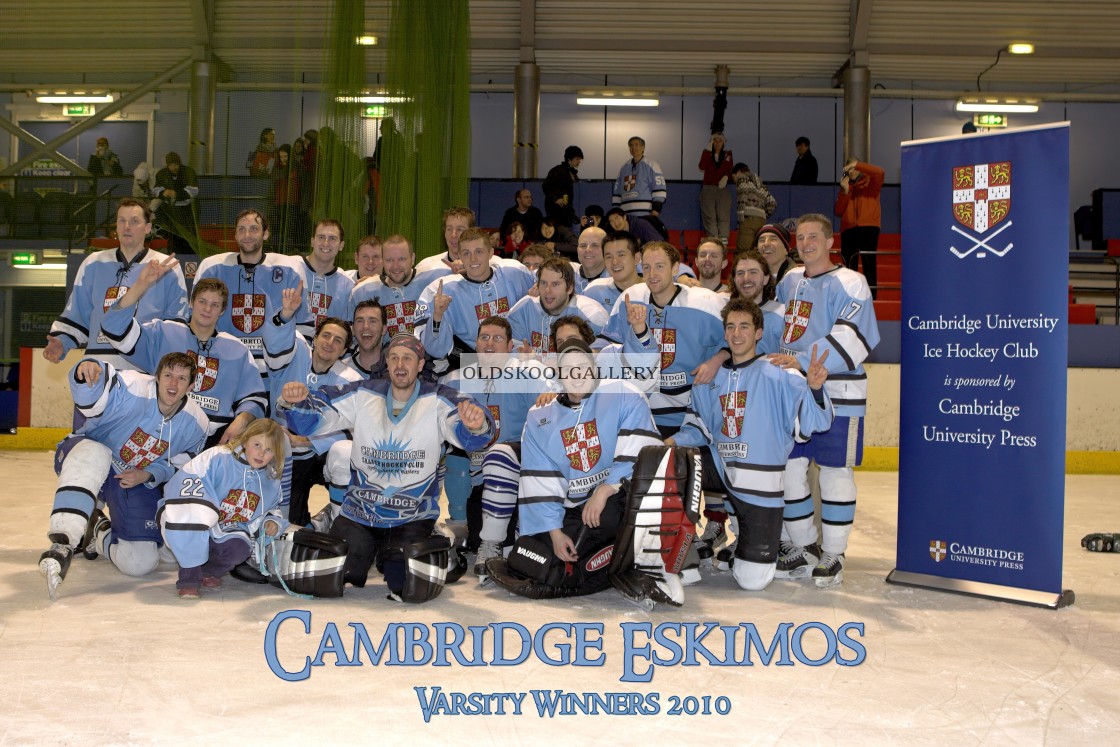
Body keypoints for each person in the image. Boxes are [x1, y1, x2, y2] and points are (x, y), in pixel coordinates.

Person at [277, 334, 495, 602]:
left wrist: (476, 424)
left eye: (408, 358)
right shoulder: (363, 392)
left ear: (419, 365)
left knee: (408, 588)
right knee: (326, 578)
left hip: (412, 515)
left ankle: (432, 536)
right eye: (394, 358)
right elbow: (315, 415)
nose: (400, 364)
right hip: (360, 512)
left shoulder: (438, 399)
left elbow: (469, 429)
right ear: (387, 363)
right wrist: (296, 401)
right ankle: (353, 539)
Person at [485, 337, 688, 608]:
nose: (576, 374)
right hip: (576, 508)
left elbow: (644, 454)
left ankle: (652, 563)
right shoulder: (539, 416)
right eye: (567, 368)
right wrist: (555, 532)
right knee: (549, 550)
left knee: (634, 498)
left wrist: (606, 489)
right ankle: (614, 561)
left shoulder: (624, 393)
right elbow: (540, 480)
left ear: (594, 368)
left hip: (619, 497)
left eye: (582, 366)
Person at [668, 297, 833, 592]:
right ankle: (686, 555)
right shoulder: (711, 377)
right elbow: (696, 428)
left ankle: (749, 546)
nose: (736, 333)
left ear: (759, 333)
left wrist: (816, 389)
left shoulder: (780, 372)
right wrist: (669, 442)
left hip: (760, 489)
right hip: (721, 469)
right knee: (671, 463)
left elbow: (815, 423)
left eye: (744, 326)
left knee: (751, 581)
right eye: (730, 326)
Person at [38, 352, 209, 600]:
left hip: (133, 479)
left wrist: (149, 473)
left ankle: (99, 530)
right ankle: (62, 542)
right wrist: (86, 369)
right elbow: (97, 393)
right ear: (157, 377)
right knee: (95, 454)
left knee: (140, 563)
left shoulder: (197, 422)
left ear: (191, 386)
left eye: (182, 379)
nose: (173, 384)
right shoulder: (134, 386)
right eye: (168, 375)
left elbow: (183, 464)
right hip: (87, 456)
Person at [771, 213, 880, 587]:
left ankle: (834, 551)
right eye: (800, 237)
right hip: (794, 392)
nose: (805, 243)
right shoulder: (788, 281)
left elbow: (854, 336)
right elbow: (769, 323)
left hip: (840, 390)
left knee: (835, 473)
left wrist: (801, 360)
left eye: (814, 236)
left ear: (831, 242)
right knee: (788, 470)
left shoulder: (852, 282)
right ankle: (803, 546)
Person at [101, 266, 266, 449]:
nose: (207, 309)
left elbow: (256, 398)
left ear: (222, 310)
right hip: (164, 434)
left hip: (216, 441)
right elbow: (113, 328)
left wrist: (242, 420)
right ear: (191, 302)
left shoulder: (237, 350)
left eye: (215, 305)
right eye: (202, 301)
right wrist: (141, 285)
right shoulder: (163, 333)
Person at [44, 197, 188, 371]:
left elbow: (175, 325)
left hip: (144, 368)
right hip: (97, 369)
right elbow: (77, 315)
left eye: (134, 221)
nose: (127, 226)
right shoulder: (93, 264)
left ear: (148, 228)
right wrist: (62, 341)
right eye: (122, 221)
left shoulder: (166, 266)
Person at [602, 241, 727, 438]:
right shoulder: (631, 298)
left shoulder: (706, 303)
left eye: (660, 266)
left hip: (692, 416)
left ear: (675, 268)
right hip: (641, 414)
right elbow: (607, 345)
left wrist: (717, 359)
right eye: (647, 267)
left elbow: (737, 344)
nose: (652, 275)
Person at [264, 285, 362, 526]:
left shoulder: (350, 379)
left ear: (344, 351)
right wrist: (285, 315)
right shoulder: (294, 352)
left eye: (338, 340)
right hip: (283, 449)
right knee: (293, 522)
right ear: (315, 338)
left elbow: (351, 430)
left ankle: (341, 521)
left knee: (347, 455)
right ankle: (310, 523)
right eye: (326, 336)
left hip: (319, 452)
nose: (330, 343)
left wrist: (306, 441)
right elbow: (276, 342)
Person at [159, 418, 289, 598]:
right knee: (192, 526)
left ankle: (208, 571)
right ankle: (189, 579)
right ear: (245, 440)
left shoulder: (271, 480)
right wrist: (205, 514)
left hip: (228, 526)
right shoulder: (218, 457)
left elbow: (272, 509)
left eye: (268, 450)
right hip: (199, 516)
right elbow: (188, 480)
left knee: (239, 548)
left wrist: (271, 521)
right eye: (257, 444)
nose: (261, 453)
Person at [194, 210, 303, 378]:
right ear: (235, 235)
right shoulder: (212, 268)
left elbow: (302, 329)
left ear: (265, 233)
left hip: (272, 370)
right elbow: (194, 321)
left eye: (254, 229)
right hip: (223, 367)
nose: (247, 234)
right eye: (241, 229)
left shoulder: (289, 271)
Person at [416, 227, 535, 376]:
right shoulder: (442, 289)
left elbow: (549, 284)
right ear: (459, 256)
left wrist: (538, 291)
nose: (473, 259)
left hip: (517, 360)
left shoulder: (515, 272)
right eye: (466, 253)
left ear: (491, 253)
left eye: (479, 252)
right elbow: (435, 351)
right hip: (470, 365)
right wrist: (437, 316)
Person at [350, 234, 448, 339]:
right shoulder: (362, 291)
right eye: (389, 260)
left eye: (401, 259)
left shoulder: (438, 276)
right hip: (384, 355)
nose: (395, 266)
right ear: (382, 260)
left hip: (430, 354)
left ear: (413, 258)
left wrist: (461, 268)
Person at [506, 257, 608, 353]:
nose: (547, 290)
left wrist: (589, 354)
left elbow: (608, 348)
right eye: (543, 283)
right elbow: (509, 346)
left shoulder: (591, 313)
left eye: (555, 284)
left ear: (569, 288)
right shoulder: (523, 308)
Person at [292, 219, 355, 341]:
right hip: (290, 351)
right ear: (312, 241)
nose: (326, 243)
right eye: (321, 237)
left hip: (327, 354)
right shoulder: (291, 269)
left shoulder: (348, 285)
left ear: (341, 245)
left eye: (332, 238)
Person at [834, 158, 885, 298]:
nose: (851, 171)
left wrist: (857, 164)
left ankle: (871, 298)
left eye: (853, 168)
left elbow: (880, 172)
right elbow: (838, 211)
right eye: (848, 169)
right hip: (848, 230)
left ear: (861, 168)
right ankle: (849, 296)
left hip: (869, 227)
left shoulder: (871, 183)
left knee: (869, 263)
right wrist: (845, 192)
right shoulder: (845, 187)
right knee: (849, 265)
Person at [612, 136, 667, 236]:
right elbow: (617, 193)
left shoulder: (652, 165)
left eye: (637, 145)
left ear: (643, 147)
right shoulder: (624, 168)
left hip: (645, 216)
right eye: (631, 146)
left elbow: (659, 190)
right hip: (626, 218)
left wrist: (655, 212)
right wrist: (616, 214)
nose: (634, 148)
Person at [583, 231, 644, 313]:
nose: (614, 262)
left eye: (621, 255)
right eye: (609, 257)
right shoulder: (594, 290)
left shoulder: (653, 291)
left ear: (636, 258)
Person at [154, 152, 199, 254]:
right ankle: (173, 258)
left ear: (179, 163)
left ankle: (189, 260)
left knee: (188, 238)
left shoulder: (188, 172)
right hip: (170, 212)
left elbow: (193, 191)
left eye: (175, 165)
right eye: (170, 165)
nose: (173, 167)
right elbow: (156, 189)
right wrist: (163, 193)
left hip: (186, 213)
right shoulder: (162, 174)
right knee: (173, 238)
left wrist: (176, 194)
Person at [731, 162, 776, 253]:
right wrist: (763, 215)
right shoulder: (762, 186)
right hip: (761, 222)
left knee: (743, 252)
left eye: (734, 177)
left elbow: (742, 198)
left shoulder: (742, 180)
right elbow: (773, 203)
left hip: (748, 221)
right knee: (757, 252)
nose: (735, 181)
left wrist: (741, 219)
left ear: (739, 172)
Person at [698, 132, 734, 241]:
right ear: (712, 143)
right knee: (709, 216)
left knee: (723, 215)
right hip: (708, 187)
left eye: (720, 141)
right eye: (715, 141)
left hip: (722, 188)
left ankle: (723, 241)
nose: (717, 143)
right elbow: (702, 166)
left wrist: (727, 177)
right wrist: (708, 152)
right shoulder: (707, 154)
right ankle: (713, 239)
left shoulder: (728, 154)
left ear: (723, 143)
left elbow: (730, 169)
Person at [342, 299, 388, 379]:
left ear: (383, 329)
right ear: (353, 328)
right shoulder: (340, 371)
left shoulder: (395, 370)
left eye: (373, 321)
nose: (366, 326)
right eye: (360, 321)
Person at [542, 145, 583, 227]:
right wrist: (555, 198)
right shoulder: (558, 171)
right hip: (556, 210)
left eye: (580, 159)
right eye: (577, 159)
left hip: (565, 208)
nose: (579, 161)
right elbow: (546, 185)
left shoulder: (569, 172)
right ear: (569, 159)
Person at [573, 225, 609, 291]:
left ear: (606, 249)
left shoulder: (616, 280)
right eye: (583, 245)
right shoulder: (568, 275)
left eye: (594, 245)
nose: (588, 250)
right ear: (577, 250)